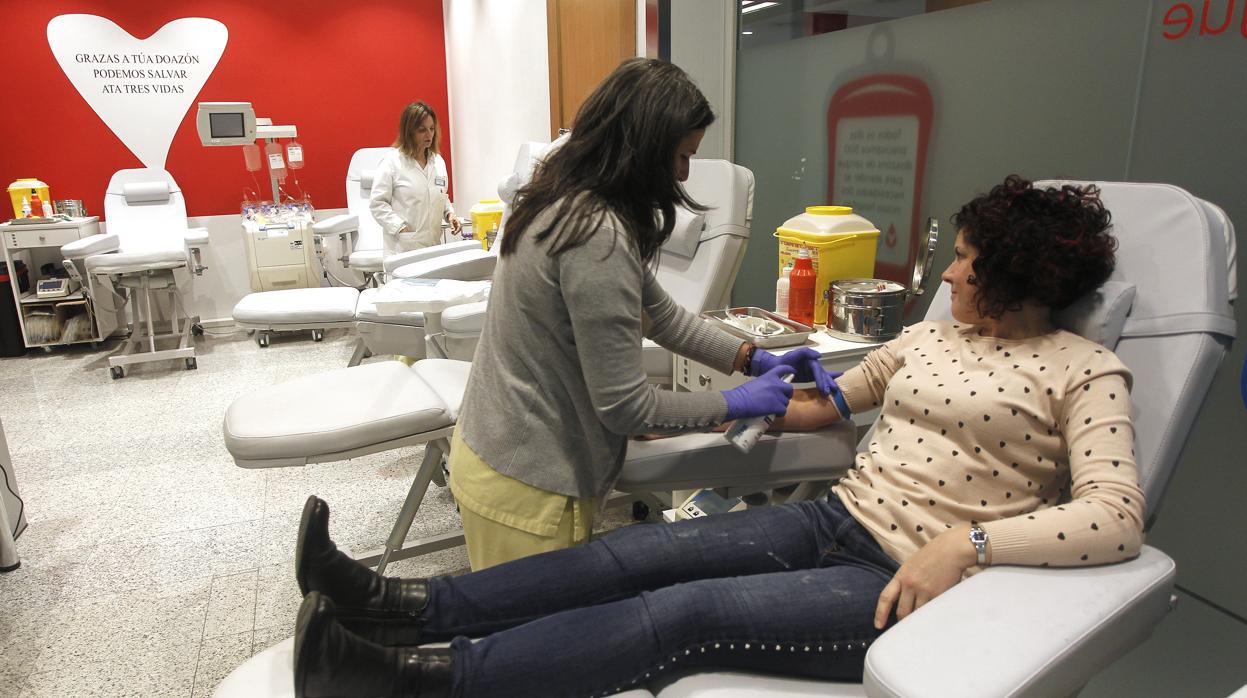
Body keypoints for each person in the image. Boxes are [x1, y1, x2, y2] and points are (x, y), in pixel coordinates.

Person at [288, 174, 1147, 698]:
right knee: (631, 556)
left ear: (1016, 275)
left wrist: (966, 546)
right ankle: (399, 607)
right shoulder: (929, 337)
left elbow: (1114, 516)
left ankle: (412, 686)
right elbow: (829, 403)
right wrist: (756, 391)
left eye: (965, 260)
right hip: (831, 521)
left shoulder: (1082, 368)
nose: (950, 273)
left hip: (902, 580)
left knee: (683, 613)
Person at [443, 57, 838, 570]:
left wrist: (750, 357)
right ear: (642, 147)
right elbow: (626, 407)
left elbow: (667, 318)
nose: (683, 173)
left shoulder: (566, 201)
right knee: (530, 643)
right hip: (528, 489)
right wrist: (735, 403)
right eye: (680, 155)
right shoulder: (595, 236)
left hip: (499, 453)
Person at [370, 101, 462, 256]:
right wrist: (400, 227)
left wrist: (449, 214)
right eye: (422, 130)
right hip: (403, 249)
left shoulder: (438, 162)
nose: (429, 135)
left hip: (433, 246)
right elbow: (377, 204)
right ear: (409, 132)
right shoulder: (392, 162)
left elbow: (441, 195)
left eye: (432, 129)